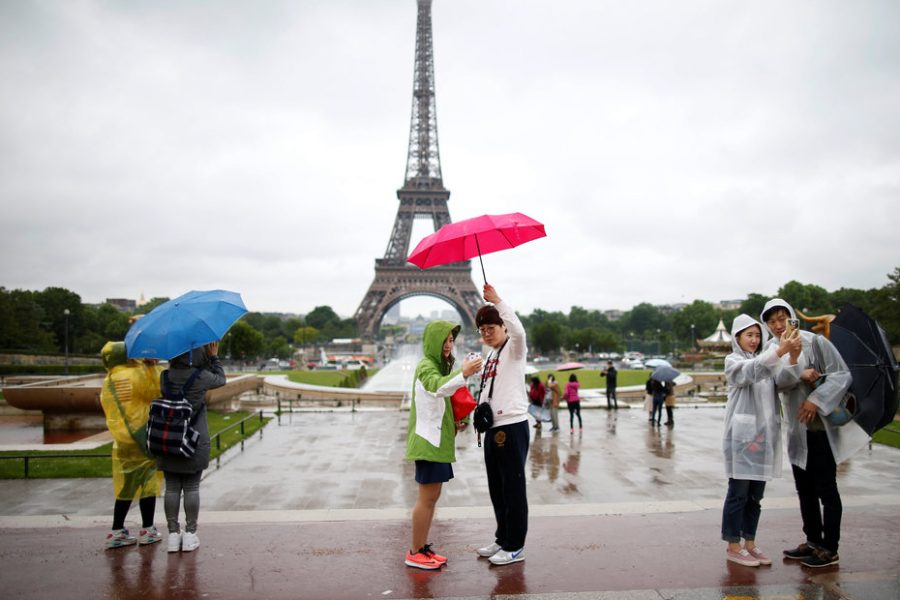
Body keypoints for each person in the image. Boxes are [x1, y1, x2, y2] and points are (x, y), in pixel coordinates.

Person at [761, 299, 870, 568]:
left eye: (781, 318)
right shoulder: (772, 349)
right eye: (771, 321)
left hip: (819, 427)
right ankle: (812, 540)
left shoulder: (815, 342)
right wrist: (798, 368)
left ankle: (829, 547)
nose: (777, 325)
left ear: (791, 319)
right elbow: (776, 383)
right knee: (804, 489)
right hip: (797, 429)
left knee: (826, 489)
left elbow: (841, 375)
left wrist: (816, 399)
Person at [721, 314, 800, 566]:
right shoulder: (733, 360)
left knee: (756, 496)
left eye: (757, 335)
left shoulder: (767, 360)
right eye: (749, 335)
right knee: (738, 493)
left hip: (764, 438)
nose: (754, 340)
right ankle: (733, 545)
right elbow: (748, 373)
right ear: (737, 338)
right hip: (743, 438)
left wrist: (795, 359)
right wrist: (779, 352)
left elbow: (784, 381)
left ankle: (750, 542)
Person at [404, 320, 482, 570]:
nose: (448, 345)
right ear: (433, 341)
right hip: (428, 443)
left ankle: (421, 547)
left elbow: (442, 400)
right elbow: (438, 388)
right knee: (426, 498)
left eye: (451, 341)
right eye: (444, 340)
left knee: (432, 497)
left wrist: (458, 420)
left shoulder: (438, 366)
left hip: (436, 443)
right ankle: (415, 551)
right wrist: (465, 373)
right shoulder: (427, 367)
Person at [474, 283, 530, 566]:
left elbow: (519, 331)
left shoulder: (514, 349)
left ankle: (515, 545)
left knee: (513, 488)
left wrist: (497, 301)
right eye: (482, 330)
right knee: (497, 488)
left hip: (511, 426)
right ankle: (502, 537)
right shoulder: (491, 355)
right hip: (493, 428)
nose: (486, 333)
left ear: (503, 327)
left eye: (491, 328)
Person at [157, 342, 226, 554]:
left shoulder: (164, 377)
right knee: (191, 487)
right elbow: (221, 379)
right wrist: (213, 357)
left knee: (172, 488)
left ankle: (172, 534)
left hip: (169, 437)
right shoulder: (202, 377)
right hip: (194, 437)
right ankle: (190, 534)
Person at [98, 341, 164, 549]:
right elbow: (157, 388)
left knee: (126, 486)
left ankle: (117, 530)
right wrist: (152, 366)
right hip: (142, 434)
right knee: (149, 483)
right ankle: (148, 528)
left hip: (122, 440)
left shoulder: (109, 379)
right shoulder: (134, 375)